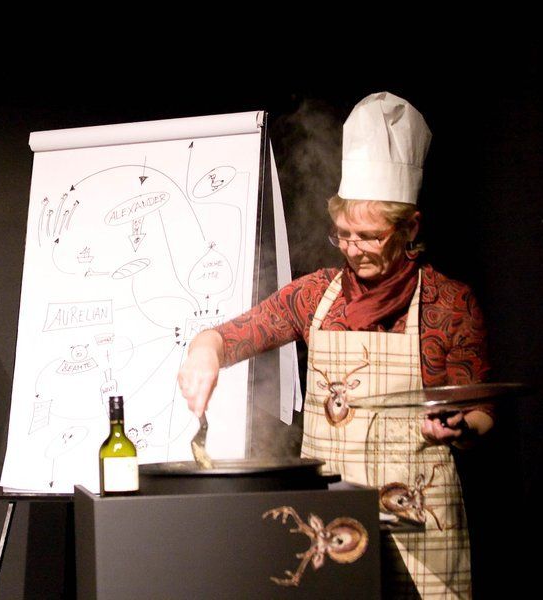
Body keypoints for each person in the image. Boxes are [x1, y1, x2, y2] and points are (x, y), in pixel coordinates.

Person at [178, 92, 491, 597]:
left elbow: (481, 411)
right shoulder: (314, 296)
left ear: (410, 227)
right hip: (331, 527)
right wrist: (205, 351)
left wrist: (460, 426)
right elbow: (231, 335)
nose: (352, 248)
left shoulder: (449, 303)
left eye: (369, 236)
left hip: (423, 528)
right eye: (342, 234)